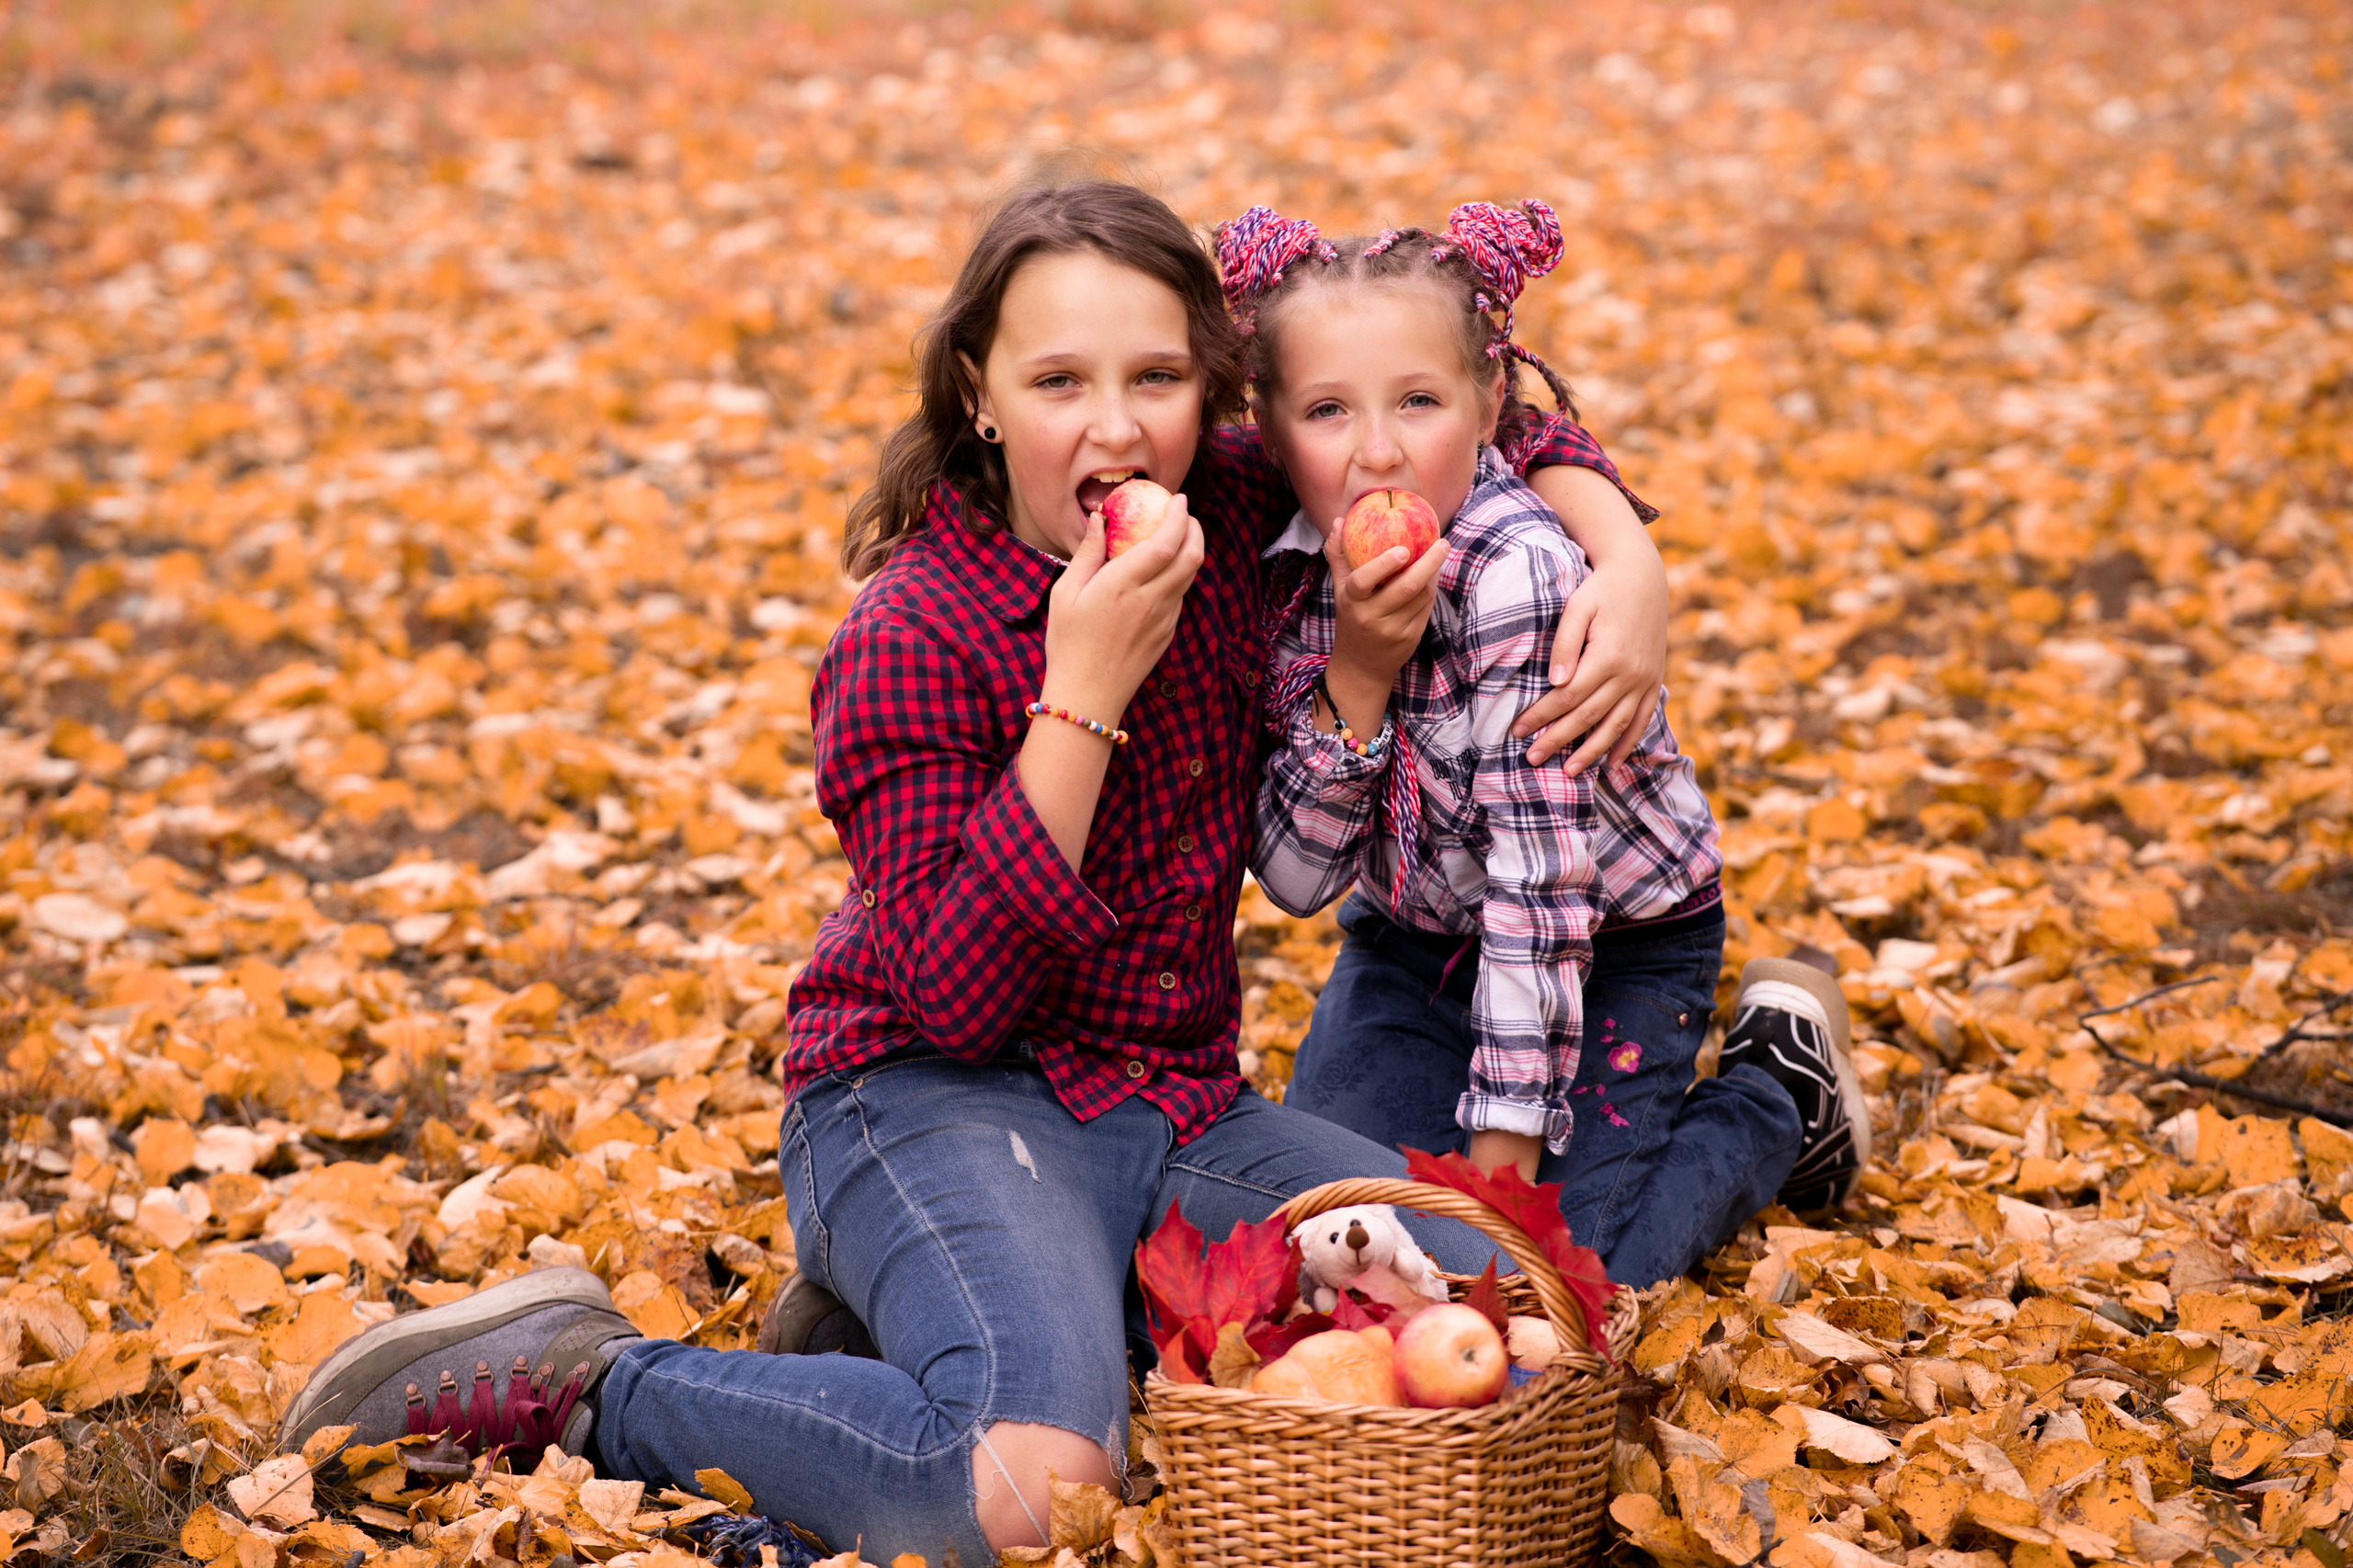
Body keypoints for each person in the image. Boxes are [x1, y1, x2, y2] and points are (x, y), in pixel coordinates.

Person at [278, 181, 1668, 1566]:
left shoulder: (1225, 503)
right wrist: (1083, 689)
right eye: (1059, 380)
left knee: (1500, 1302)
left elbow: (1453, 413)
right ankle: (590, 1379)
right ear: (979, 395)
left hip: (1175, 1103)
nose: (1116, 427)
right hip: (928, 1097)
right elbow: (958, 1000)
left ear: (1210, 389)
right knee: (1029, 1484)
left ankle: (892, 1341)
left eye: (1158, 377)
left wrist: (1627, 560)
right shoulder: (912, 637)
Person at [1232, 199, 1872, 1291]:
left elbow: (1539, 896)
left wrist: (1501, 1184)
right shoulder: (1283, 562)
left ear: (1491, 404)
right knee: (1340, 1246)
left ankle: (1775, 1097)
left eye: (1419, 400)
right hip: (1411, 943)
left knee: (1552, 1280)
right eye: (1328, 409)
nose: (1378, 450)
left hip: (1611, 938)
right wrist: (1362, 669)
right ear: (1269, 427)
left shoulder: (1518, 577)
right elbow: (1295, 879)